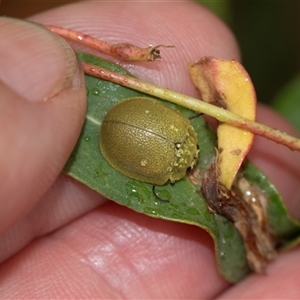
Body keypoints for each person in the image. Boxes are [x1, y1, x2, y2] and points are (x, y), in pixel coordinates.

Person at [0, 1, 299, 298]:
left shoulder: (180, 138)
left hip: (132, 123)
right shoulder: (170, 160)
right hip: (125, 124)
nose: (194, 160)